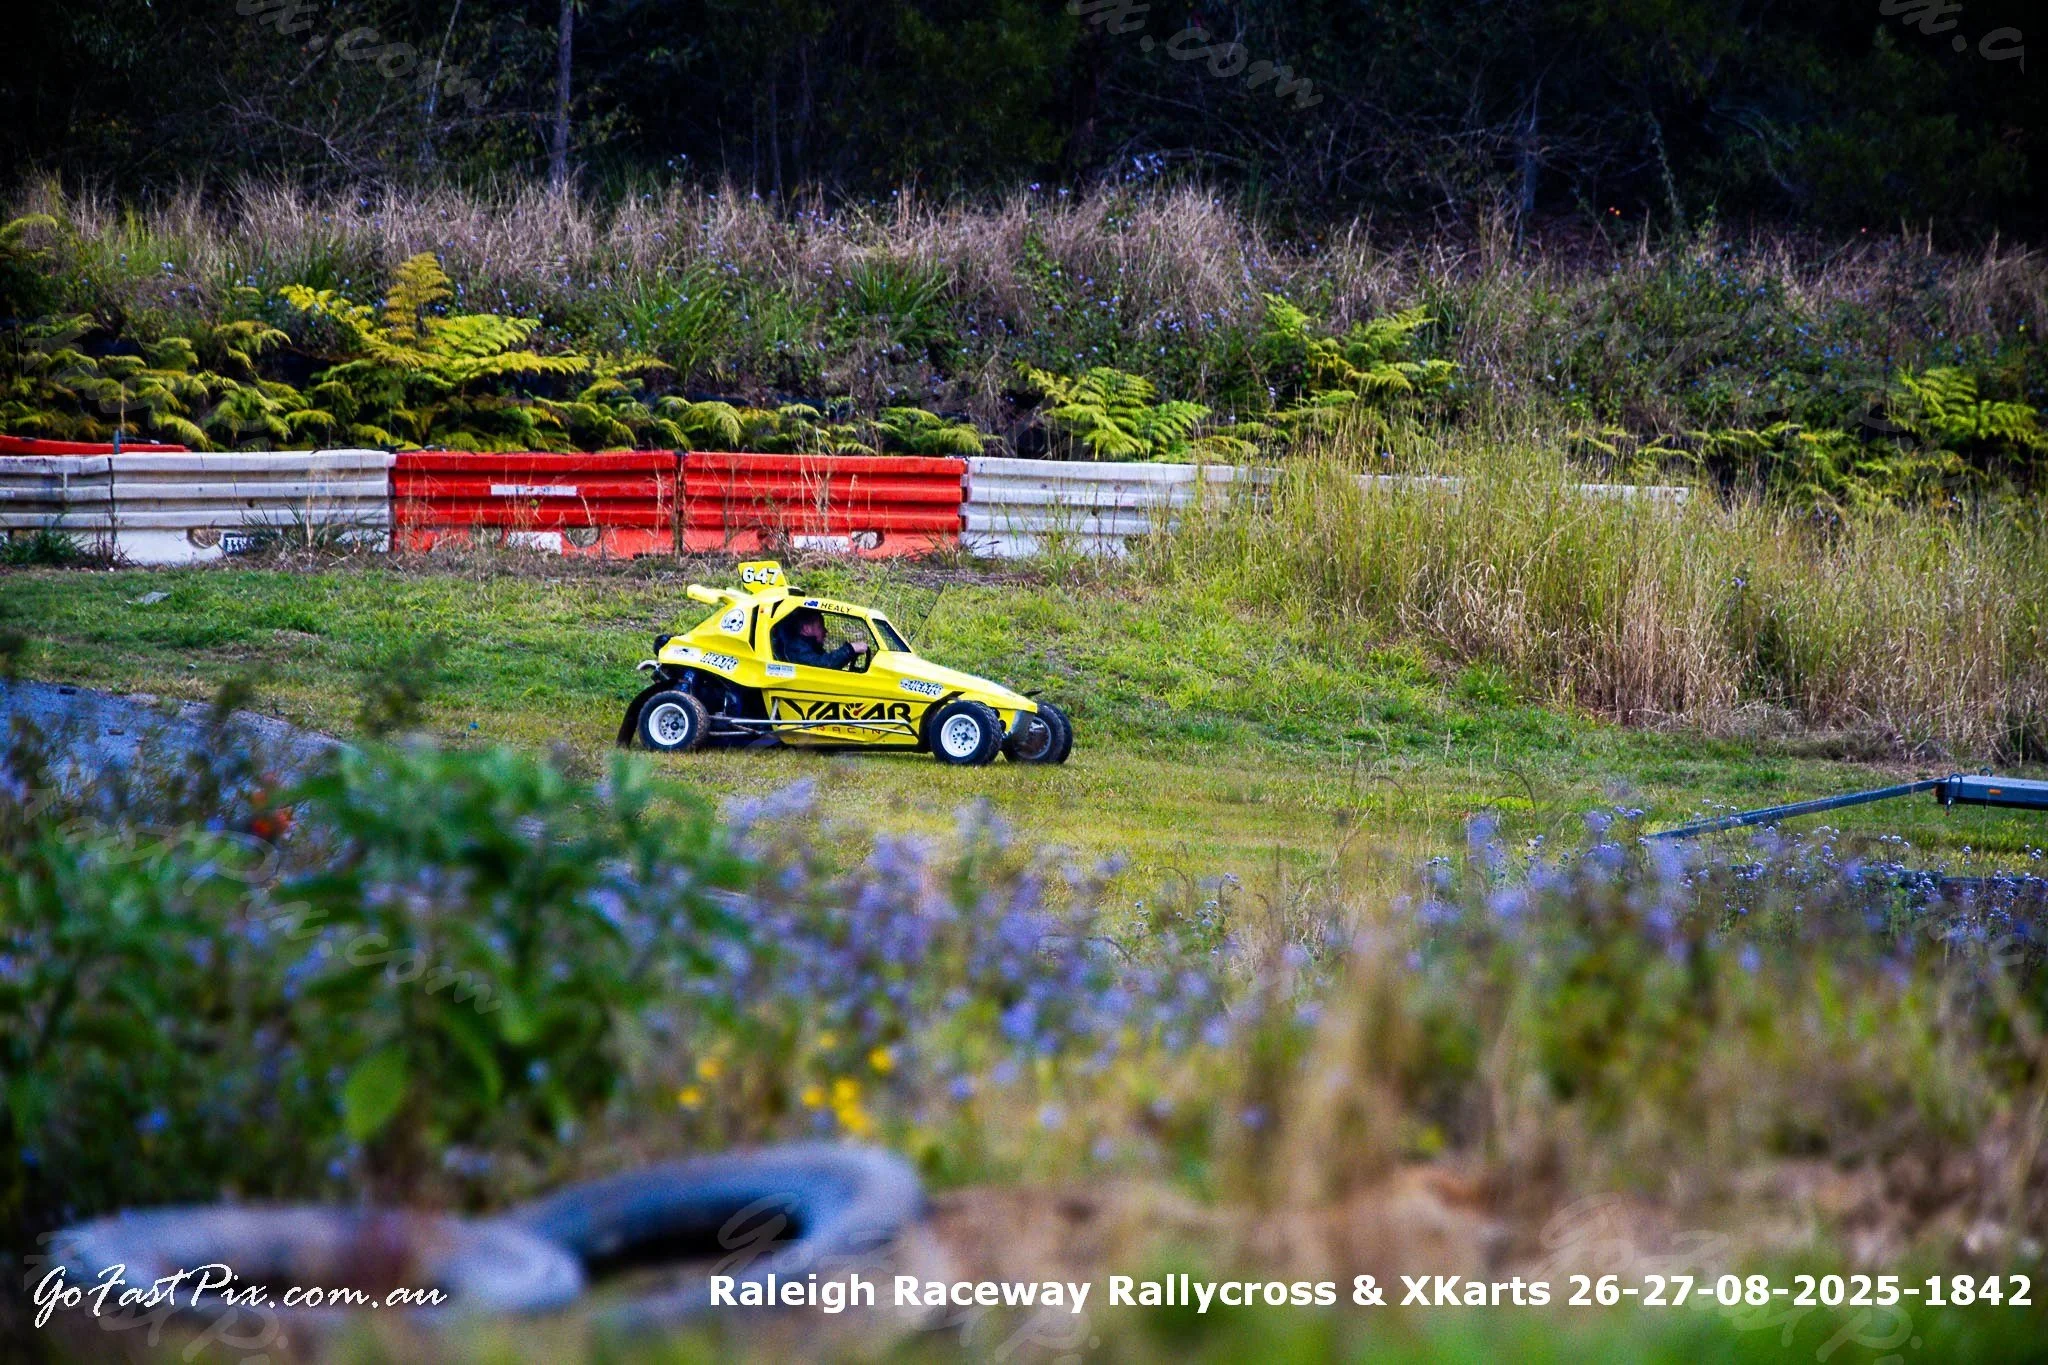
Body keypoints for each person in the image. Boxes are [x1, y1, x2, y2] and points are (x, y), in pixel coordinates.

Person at [775, 607, 869, 670]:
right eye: (820, 627)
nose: (825, 631)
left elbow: (829, 663)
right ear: (806, 629)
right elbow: (822, 665)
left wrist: (849, 654)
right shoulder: (796, 648)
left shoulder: (811, 647)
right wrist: (849, 649)